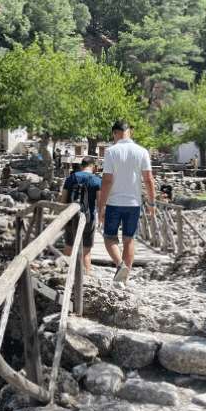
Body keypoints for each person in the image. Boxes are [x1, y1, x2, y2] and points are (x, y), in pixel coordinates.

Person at [99, 120, 155, 286]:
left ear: (114, 133)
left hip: (114, 203)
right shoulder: (142, 151)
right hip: (134, 203)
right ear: (130, 131)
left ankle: (120, 265)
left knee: (109, 238)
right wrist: (152, 204)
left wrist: (101, 206)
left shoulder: (111, 152)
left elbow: (107, 181)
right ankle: (125, 278)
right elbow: (149, 180)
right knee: (129, 240)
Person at [60, 157, 102, 273]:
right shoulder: (97, 180)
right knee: (86, 252)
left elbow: (63, 200)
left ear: (81, 165)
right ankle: (86, 277)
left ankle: (63, 274)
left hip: (71, 217)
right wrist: (102, 218)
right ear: (93, 166)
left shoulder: (71, 178)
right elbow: (100, 203)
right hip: (89, 218)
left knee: (68, 247)